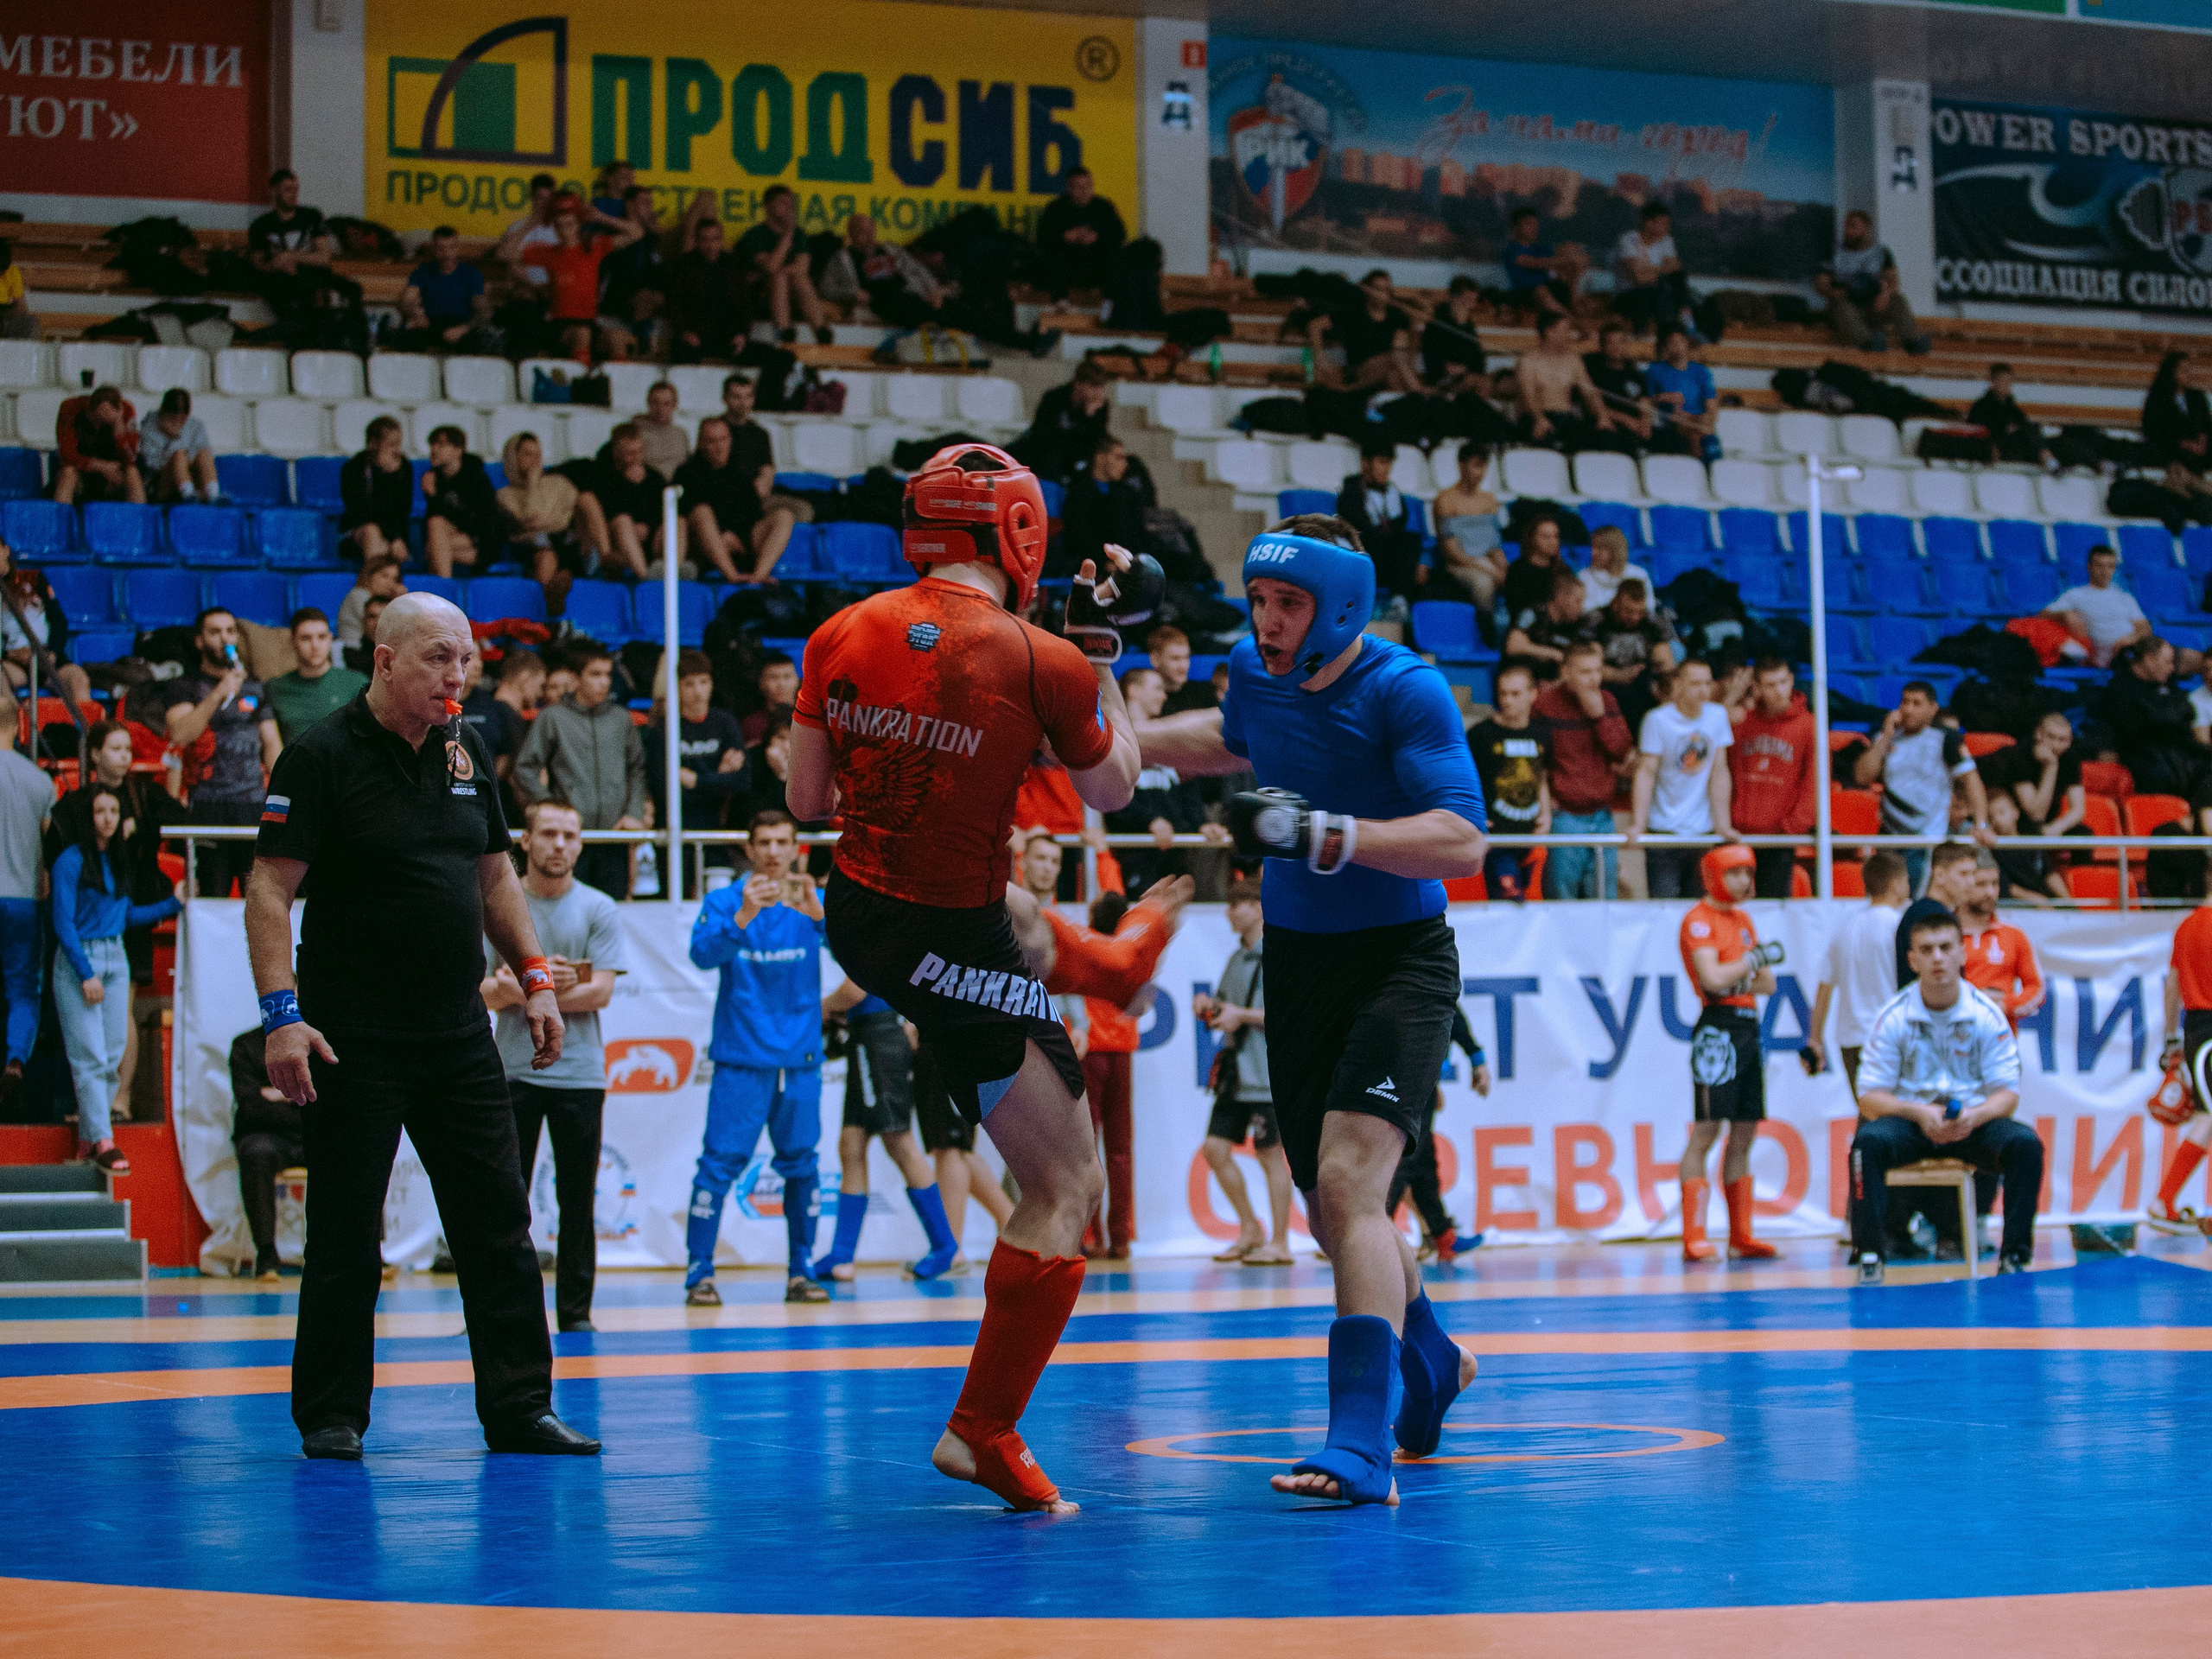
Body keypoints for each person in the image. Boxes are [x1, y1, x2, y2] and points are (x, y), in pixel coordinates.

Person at [785, 442, 1143, 1515]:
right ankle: (981, 1432)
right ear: (1018, 534)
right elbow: (1115, 786)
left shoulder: (838, 631)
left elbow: (806, 803)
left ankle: (1079, 975)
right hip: (941, 933)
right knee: (1068, 1187)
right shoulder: (1042, 656)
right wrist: (1103, 653)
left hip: (861, 908)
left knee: (1021, 922)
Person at [1132, 512, 1486, 1506]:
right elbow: (1232, 738)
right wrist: (1124, 739)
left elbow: (1462, 840)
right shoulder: (1252, 668)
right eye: (1258, 599)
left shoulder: (1403, 687)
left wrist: (1327, 834)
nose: (1269, 618)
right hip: (1299, 961)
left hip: (1398, 961)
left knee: (1347, 1178)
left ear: (1340, 608)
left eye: (1290, 602)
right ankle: (1436, 1359)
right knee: (1329, 1208)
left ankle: (1359, 1446)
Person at [246, 591, 598, 1460]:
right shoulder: (320, 755)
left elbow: (493, 878)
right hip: (351, 1037)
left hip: (456, 1036)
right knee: (343, 1234)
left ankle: (520, 1408)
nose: (459, 675)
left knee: (498, 1229)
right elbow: (267, 889)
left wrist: (538, 979)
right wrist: (282, 1019)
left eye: (468, 659)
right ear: (386, 656)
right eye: (441, 657)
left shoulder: (466, 749)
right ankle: (331, 1414)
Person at [480, 798, 622, 1333]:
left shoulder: (598, 908)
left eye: (569, 835)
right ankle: (502, 1312)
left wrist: (522, 988)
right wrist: (545, 985)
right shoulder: (500, 903)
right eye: (549, 834)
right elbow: (482, 993)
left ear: (581, 844)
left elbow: (601, 993)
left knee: (577, 1201)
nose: (559, 845)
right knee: (503, 1200)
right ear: (526, 840)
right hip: (513, 1070)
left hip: (580, 1075)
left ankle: (576, 1314)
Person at [682, 811, 832, 1305]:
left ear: (796, 849)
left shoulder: (812, 903)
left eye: (781, 842)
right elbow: (702, 955)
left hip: (799, 1060)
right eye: (763, 842)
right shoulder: (725, 900)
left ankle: (801, 1271)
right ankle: (700, 1273)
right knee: (719, 1164)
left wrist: (820, 919)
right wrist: (742, 917)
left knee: (803, 1165)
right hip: (741, 1059)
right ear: (749, 849)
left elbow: (862, 956)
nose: (772, 851)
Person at [1848, 911, 2039, 1281]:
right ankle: (1869, 1254)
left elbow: (2007, 1094)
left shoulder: (1987, 1015)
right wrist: (1918, 1113)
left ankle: (2014, 1256)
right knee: (1866, 1145)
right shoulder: (1893, 1017)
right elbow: (1869, 1097)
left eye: (1946, 947)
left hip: (1971, 1122)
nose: (1937, 957)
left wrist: (1976, 1116)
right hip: (1912, 1123)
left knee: (2025, 1145)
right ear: (1912, 960)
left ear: (1962, 954)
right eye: (1927, 949)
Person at [51, 785, 180, 1175]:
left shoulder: (119, 860)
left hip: (115, 956)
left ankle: (91, 1139)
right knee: (89, 1055)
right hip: (81, 960)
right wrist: (86, 973)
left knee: (111, 1052)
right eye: (99, 811)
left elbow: (123, 918)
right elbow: (62, 922)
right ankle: (104, 1140)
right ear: (86, 818)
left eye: (113, 810)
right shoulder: (70, 861)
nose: (107, 818)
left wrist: (175, 903)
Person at [812, 976, 964, 1282]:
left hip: (878, 1038)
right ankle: (842, 1256)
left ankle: (945, 1247)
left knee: (898, 1141)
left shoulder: (858, 928)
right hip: (869, 1035)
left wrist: (823, 1008)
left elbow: (856, 989)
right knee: (851, 1142)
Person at [1675, 844, 1777, 1262]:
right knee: (1706, 1130)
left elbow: (1767, 983)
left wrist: (1738, 974)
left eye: (1748, 873)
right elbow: (1710, 977)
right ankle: (1694, 1236)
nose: (1745, 882)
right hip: (1717, 1029)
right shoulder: (1698, 920)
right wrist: (1748, 965)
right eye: (1735, 873)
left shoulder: (1744, 920)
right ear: (1715, 875)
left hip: (1747, 1028)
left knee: (1745, 1131)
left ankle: (1740, 1235)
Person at [1193, 879, 1294, 1266]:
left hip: (1267, 1075)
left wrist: (1241, 1016)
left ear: (1258, 907)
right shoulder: (1238, 958)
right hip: (1238, 1075)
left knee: (1271, 1155)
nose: (1229, 911)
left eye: (1238, 904)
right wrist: (1210, 1007)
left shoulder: (1280, 956)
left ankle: (1281, 1241)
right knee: (1215, 1149)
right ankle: (1250, 1227)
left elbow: (1290, 1018)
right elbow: (1226, 1010)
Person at [512, 644, 647, 900]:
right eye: (595, 674)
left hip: (614, 836)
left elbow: (637, 769)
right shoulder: (553, 717)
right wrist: (553, 809)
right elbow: (525, 767)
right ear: (575, 679)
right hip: (570, 837)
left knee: (614, 911)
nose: (604, 682)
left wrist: (633, 812)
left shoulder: (622, 719)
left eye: (608, 674)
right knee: (566, 907)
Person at [164, 608, 281, 899]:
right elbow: (181, 734)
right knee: (211, 897)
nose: (224, 638)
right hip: (207, 805)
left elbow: (271, 743)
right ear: (200, 641)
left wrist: (280, 792)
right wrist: (219, 693)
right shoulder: (185, 686)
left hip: (252, 805)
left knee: (258, 897)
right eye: (215, 632)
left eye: (230, 631)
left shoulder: (254, 686)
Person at [1853, 680, 1992, 894]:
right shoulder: (1886, 737)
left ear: (1932, 709)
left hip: (1926, 840)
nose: (1908, 709)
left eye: (1917, 703)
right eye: (1905, 702)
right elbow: (1862, 777)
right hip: (1889, 837)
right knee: (1883, 901)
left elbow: (1972, 782)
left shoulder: (1946, 738)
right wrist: (1886, 736)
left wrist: (1981, 824)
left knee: (1913, 903)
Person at [1805, 850, 1912, 1096]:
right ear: (1895, 884)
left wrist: (1815, 1039)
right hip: (1888, 1037)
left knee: (1870, 1113)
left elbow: (1824, 989)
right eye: (1907, 880)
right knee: (1889, 1119)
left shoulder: (1844, 929)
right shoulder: (1899, 926)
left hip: (1850, 1038)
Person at [1533, 639, 1632, 900]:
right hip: (1564, 816)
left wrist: (1599, 716)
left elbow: (1622, 750)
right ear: (1566, 672)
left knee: (1603, 896)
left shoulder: (1607, 700)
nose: (1593, 679)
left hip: (1602, 814)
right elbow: (1535, 761)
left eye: (1597, 671)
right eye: (1585, 672)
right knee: (1562, 898)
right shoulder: (1545, 705)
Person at [1630, 659, 1738, 899]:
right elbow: (1646, 772)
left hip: (1703, 832)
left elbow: (1719, 771)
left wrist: (1723, 824)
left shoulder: (1717, 715)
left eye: (1707, 684)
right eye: (1696, 684)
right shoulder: (1657, 719)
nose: (1703, 690)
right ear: (1678, 685)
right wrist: (1639, 822)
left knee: (1700, 908)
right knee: (1663, 909)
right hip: (1663, 832)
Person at [645, 650, 748, 895]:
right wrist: (719, 778)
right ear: (677, 687)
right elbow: (665, 791)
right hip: (675, 831)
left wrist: (696, 780)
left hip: (717, 834)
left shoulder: (725, 723)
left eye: (704, 682)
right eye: (689, 684)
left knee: (717, 902)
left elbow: (743, 781)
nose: (698, 691)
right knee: (673, 901)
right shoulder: (665, 729)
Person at [1388, 1007, 1488, 1262]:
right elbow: (1453, 1019)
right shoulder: (1427, 984)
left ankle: (1444, 1237)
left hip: (1415, 1079)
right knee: (1408, 1159)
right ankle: (1370, 1233)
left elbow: (1453, 1019)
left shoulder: (1433, 987)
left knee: (1422, 1164)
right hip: (1407, 1080)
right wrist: (1477, 1060)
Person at [1072, 892, 1141, 1262]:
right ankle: (1121, 1238)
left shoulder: (1087, 946)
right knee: (1120, 1152)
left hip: (1092, 1054)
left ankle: (1089, 1235)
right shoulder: (1130, 951)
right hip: (1123, 1055)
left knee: (1087, 1151)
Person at [499, 193, 642, 359]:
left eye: (569, 225)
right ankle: (578, 381)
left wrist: (601, 217)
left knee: (617, 338)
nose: (564, 231)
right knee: (582, 333)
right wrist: (532, 222)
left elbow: (636, 232)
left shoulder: (593, 248)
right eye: (559, 226)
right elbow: (504, 253)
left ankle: (613, 383)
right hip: (559, 326)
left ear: (578, 224)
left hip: (589, 322)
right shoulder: (549, 252)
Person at [1729, 658, 1816, 899]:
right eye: (1770, 685)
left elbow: (1814, 784)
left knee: (1773, 910)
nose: (1779, 691)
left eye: (1782, 682)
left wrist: (1791, 829)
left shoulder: (1809, 726)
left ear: (1791, 681)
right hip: (1737, 834)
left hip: (1779, 838)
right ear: (1756, 687)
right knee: (1729, 907)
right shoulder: (1741, 721)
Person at [2151, 895, 2212, 1230]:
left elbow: (2172, 986)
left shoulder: (2187, 926)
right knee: (2207, 1117)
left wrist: (2172, 1038)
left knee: (2208, 1116)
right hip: (2209, 1031)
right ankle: (2163, 1200)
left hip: (2195, 1029)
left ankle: (2165, 1200)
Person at [676, 415, 796, 585]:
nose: (719, 447)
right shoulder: (686, 473)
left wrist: (739, 536)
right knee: (702, 512)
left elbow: (753, 512)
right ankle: (733, 577)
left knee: (785, 515)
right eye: (712, 441)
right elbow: (686, 514)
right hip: (705, 545)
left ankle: (758, 576)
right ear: (701, 443)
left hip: (742, 540)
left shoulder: (740, 472)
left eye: (723, 440)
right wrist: (723, 533)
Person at [1465, 663, 1548, 901]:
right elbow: (1466, 780)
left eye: (1515, 694)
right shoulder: (1480, 734)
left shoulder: (1540, 732)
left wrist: (1547, 814)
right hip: (1497, 837)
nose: (1508, 700)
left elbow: (1541, 775)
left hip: (1531, 834)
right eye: (1503, 693)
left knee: (1534, 904)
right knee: (1507, 899)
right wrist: (1475, 815)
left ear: (1533, 694)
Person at [2099, 637, 2209, 801]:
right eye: (2167, 662)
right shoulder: (2120, 690)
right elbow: (2135, 732)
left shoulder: (2167, 683)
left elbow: (2186, 712)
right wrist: (2166, 718)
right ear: (2149, 660)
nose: (2171, 668)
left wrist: (2161, 717)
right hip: (2145, 756)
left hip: (2178, 748)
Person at [228, 1026, 300, 1280]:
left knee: (353, 1144)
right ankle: (267, 1256)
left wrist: (276, 1095)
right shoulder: (246, 1046)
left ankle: (370, 1251)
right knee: (256, 1152)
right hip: (264, 1135)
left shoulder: (316, 1044)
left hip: (310, 1134)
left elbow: (328, 1102)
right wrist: (296, 1097)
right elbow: (250, 1107)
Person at [1818, 210, 1929, 355]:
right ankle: (1870, 342)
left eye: (1853, 226)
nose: (1847, 230)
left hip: (1874, 306)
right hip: (1848, 305)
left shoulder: (1882, 253)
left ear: (1866, 229)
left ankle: (1913, 341)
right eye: (1846, 226)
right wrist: (1832, 292)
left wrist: (1886, 294)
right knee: (1841, 306)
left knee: (1897, 300)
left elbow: (1893, 281)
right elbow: (1821, 283)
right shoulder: (1833, 253)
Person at [736, 185, 833, 343]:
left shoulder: (799, 234)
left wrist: (782, 269)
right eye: (782, 203)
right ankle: (783, 331)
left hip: (795, 293)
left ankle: (821, 330)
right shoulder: (755, 235)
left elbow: (802, 267)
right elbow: (770, 267)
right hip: (762, 293)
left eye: (791, 204)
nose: (789, 208)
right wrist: (787, 236)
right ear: (767, 206)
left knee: (799, 278)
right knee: (778, 278)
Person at [1957, 854, 2045, 1026]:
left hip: (2002, 1043)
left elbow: (2037, 988)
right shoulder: (1945, 936)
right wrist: (1972, 1003)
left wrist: (2005, 1006)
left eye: (1994, 884)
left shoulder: (2014, 936)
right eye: (1981, 884)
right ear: (1964, 885)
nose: (1990, 892)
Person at [1516, 312, 1623, 452]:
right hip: (1537, 416)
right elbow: (1528, 395)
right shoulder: (1528, 361)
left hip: (1566, 418)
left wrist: (1602, 416)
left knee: (1607, 436)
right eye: (1566, 331)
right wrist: (1539, 419)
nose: (1569, 335)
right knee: (1545, 435)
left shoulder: (1573, 360)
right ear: (1549, 332)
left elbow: (1589, 392)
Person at [264, 608, 370, 747]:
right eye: (306, 638)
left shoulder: (356, 683)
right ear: (292, 642)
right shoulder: (274, 688)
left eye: (321, 637)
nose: (315, 646)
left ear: (330, 639)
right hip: (297, 765)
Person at [1333, 441, 1424, 600]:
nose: (1387, 469)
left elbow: (1400, 527)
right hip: (1364, 555)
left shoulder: (1392, 492)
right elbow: (1357, 529)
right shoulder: (1351, 493)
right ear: (1365, 463)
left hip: (1389, 559)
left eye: (1389, 463)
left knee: (1412, 540)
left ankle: (1399, 600)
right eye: (1382, 462)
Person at [820, 213, 944, 327]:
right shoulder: (842, 259)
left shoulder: (892, 250)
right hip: (876, 301)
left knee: (940, 306)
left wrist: (934, 291)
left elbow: (919, 271)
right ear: (851, 234)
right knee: (905, 308)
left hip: (905, 295)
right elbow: (826, 288)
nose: (868, 236)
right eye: (862, 232)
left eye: (871, 231)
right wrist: (852, 293)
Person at [496, 432, 582, 599]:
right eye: (528, 454)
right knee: (546, 554)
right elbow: (530, 520)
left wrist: (546, 522)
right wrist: (532, 484)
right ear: (514, 457)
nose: (535, 460)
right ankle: (547, 604)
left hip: (564, 541)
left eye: (538, 454)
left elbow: (568, 519)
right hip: (529, 547)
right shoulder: (505, 495)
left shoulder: (559, 483)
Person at [1979, 712, 2086, 845]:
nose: (2056, 745)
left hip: (2046, 823)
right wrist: (2050, 766)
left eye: (2063, 740)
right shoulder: (2019, 756)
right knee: (2033, 829)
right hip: (2014, 819)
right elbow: (2036, 814)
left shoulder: (2070, 758)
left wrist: (2056, 829)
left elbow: (2078, 810)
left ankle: (2082, 867)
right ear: (2038, 734)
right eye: (2051, 737)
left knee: (2083, 833)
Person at [1313, 269, 1423, 394]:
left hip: (1388, 369)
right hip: (1359, 370)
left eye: (1386, 290)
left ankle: (1405, 407)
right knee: (1393, 357)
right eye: (1378, 289)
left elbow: (1403, 347)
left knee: (1392, 376)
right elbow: (1315, 325)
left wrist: (1413, 324)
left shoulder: (1395, 316)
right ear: (1368, 290)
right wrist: (1320, 356)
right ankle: (1418, 391)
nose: (1382, 294)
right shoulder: (1355, 312)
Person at [1590, 576, 1675, 737]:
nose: (1635, 617)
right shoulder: (1597, 621)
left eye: (1640, 612)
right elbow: (1590, 666)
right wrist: (1621, 675)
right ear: (1616, 604)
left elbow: (1667, 665)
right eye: (1629, 611)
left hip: (1643, 688)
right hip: (1606, 688)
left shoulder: (1652, 623)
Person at [1058, 436, 1152, 580]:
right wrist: (1104, 562)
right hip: (1091, 563)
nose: (1124, 465)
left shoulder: (1127, 493)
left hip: (1127, 561)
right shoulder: (1079, 492)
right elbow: (1078, 535)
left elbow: (1137, 533)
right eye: (1118, 457)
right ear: (1100, 457)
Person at [1894, 842, 1986, 989]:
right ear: (1940, 875)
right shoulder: (1929, 915)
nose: (1971, 882)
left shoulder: (1925, 910)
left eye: (1973, 874)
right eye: (1964, 874)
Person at [1428, 444, 1507, 616]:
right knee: (1483, 584)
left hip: (1487, 560)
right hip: (1460, 564)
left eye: (1484, 466)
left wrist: (1503, 568)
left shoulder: (1489, 500)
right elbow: (1450, 550)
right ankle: (1487, 631)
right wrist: (1487, 570)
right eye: (1476, 465)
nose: (1480, 472)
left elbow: (1494, 544)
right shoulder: (1446, 500)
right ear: (1462, 465)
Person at [665, 207, 752, 363]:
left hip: (728, 339)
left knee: (780, 357)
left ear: (721, 240)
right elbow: (674, 304)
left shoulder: (733, 266)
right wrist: (684, 332)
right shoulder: (684, 266)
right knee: (682, 354)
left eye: (714, 239)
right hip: (694, 338)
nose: (710, 245)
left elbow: (745, 304)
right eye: (705, 240)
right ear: (697, 241)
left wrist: (742, 334)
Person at [1010, 359, 1113, 488]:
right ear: (1079, 384)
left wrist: (1088, 417)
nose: (1098, 393)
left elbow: (1097, 439)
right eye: (1093, 387)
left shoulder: (1099, 407)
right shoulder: (1054, 398)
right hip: (1049, 450)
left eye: (1100, 387)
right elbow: (1043, 435)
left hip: (1078, 453)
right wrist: (1081, 422)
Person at [2044, 544, 2151, 667]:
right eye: (2099, 566)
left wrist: (2133, 637)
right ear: (2089, 567)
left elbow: (2144, 627)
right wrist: (2064, 614)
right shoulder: (2075, 595)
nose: (2105, 571)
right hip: (2109, 658)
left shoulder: (2125, 597)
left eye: (2110, 566)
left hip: (2133, 649)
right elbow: (2042, 616)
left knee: (2172, 655)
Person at [421, 426, 500, 580]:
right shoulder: (433, 478)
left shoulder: (476, 477)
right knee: (435, 530)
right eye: (433, 444)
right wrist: (432, 495)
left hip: (481, 542)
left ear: (458, 451)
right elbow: (435, 517)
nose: (434, 449)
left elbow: (487, 520)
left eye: (441, 445)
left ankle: (442, 590)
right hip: (454, 539)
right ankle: (445, 587)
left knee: (433, 548)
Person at [396, 226, 491, 353]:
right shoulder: (423, 271)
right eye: (441, 249)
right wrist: (416, 315)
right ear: (434, 249)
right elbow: (406, 301)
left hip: (460, 324)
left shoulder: (471, 273)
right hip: (431, 323)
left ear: (458, 248)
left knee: (473, 343)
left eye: (451, 248)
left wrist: (463, 329)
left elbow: (483, 311)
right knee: (405, 339)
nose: (447, 254)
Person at [1036, 168, 1126, 300]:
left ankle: (1111, 303)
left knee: (1116, 255)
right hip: (1069, 266)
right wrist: (1065, 236)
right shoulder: (1056, 208)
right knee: (1052, 256)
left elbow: (1120, 234)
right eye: (1079, 187)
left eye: (1088, 185)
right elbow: (1042, 238)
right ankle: (1061, 303)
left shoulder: (1103, 207)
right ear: (1069, 188)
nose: (1084, 191)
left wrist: (1097, 236)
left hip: (1095, 264)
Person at [1612, 202, 1696, 340]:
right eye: (1663, 224)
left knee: (1675, 284)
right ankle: (1642, 337)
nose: (1667, 228)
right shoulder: (1628, 240)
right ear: (1649, 223)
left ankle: (1683, 332)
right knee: (1649, 293)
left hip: (1657, 292)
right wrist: (1661, 271)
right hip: (1628, 296)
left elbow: (1675, 270)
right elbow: (1638, 279)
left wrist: (1649, 270)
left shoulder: (1666, 240)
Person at [338, 416, 413, 565]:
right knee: (372, 531)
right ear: (373, 444)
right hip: (359, 534)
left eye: (398, 444)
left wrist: (392, 477)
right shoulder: (354, 468)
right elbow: (362, 512)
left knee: (386, 547)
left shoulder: (404, 468)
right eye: (391, 445)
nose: (397, 451)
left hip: (396, 538)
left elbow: (403, 510)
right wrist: (384, 478)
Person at [53, 385, 143, 505]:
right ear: (89, 410)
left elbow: (131, 458)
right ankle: (60, 519)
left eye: (105, 422)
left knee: (132, 473)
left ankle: (138, 519)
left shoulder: (126, 411)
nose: (98, 425)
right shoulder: (70, 408)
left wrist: (120, 433)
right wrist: (101, 467)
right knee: (68, 473)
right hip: (82, 471)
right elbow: (67, 455)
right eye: (95, 419)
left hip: (113, 474)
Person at [1644, 327, 1720, 459]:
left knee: (1702, 428)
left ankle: (1707, 466)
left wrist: (1705, 418)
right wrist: (1662, 397)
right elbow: (1647, 400)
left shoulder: (1701, 372)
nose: (1677, 346)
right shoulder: (1655, 371)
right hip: (1672, 422)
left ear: (1686, 343)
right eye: (1672, 343)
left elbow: (1711, 407)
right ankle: (1704, 467)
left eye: (1680, 341)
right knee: (1696, 432)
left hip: (1697, 420)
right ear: (1666, 347)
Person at [1503, 566, 1590, 681]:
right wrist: (1553, 653)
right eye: (1577, 601)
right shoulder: (1533, 613)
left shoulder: (1578, 624)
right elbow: (1513, 645)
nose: (1581, 607)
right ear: (1560, 597)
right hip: (1524, 681)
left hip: (1555, 686)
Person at [1581, 321, 1658, 447]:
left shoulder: (1636, 374)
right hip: (1609, 424)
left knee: (1672, 440)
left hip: (1636, 425)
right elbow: (1591, 406)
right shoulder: (1594, 372)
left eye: (1620, 341)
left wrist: (1645, 424)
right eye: (1611, 343)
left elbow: (1645, 403)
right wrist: (1627, 420)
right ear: (1602, 346)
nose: (1616, 347)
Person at [137, 390, 221, 504]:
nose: (177, 423)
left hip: (191, 478)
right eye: (172, 418)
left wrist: (186, 461)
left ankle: (213, 494)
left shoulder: (195, 426)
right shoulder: (149, 426)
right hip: (162, 483)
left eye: (182, 419)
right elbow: (151, 465)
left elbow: (202, 456)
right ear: (162, 413)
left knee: (204, 453)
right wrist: (170, 439)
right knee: (179, 455)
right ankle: (187, 494)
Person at [1500, 207, 1583, 319]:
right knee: (1540, 291)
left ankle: (1573, 302)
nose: (1534, 228)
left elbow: (1555, 268)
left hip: (1548, 287)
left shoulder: (1541, 249)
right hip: (1525, 293)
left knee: (1569, 249)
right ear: (1516, 227)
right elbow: (1535, 263)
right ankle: (1573, 322)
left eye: (1535, 224)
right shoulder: (1512, 250)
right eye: (1529, 224)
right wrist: (1567, 259)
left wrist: (1569, 259)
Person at [1967, 363, 2050, 466]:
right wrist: (2004, 429)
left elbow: (2024, 423)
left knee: (2033, 430)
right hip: (1997, 446)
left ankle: (2046, 456)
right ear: (1993, 382)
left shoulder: (2011, 406)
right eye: (2003, 381)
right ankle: (2046, 458)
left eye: (2009, 381)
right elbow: (1977, 429)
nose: (2007, 385)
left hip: (2015, 444)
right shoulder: (1982, 406)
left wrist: (2016, 428)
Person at [335, 552, 406, 651]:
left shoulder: (379, 601)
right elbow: (382, 629)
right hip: (353, 652)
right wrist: (400, 602)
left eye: (394, 579)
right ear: (369, 575)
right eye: (384, 576)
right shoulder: (359, 595)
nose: (390, 583)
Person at [1579, 525, 1654, 616]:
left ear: (1615, 550)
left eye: (1599, 548)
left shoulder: (1639, 575)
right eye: (1593, 547)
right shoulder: (1583, 576)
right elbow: (1584, 612)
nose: (1593, 553)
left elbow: (1649, 608)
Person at [635, 381, 691, 480]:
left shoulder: (681, 434)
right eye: (655, 403)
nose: (660, 409)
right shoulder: (636, 433)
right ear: (648, 403)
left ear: (674, 405)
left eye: (666, 404)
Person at [0, 236, 34, 339]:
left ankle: (28, 354)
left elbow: (22, 307)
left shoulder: (13, 271)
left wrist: (11, 312)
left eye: (3, 271)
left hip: (4, 317)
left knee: (30, 322)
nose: (1, 274)